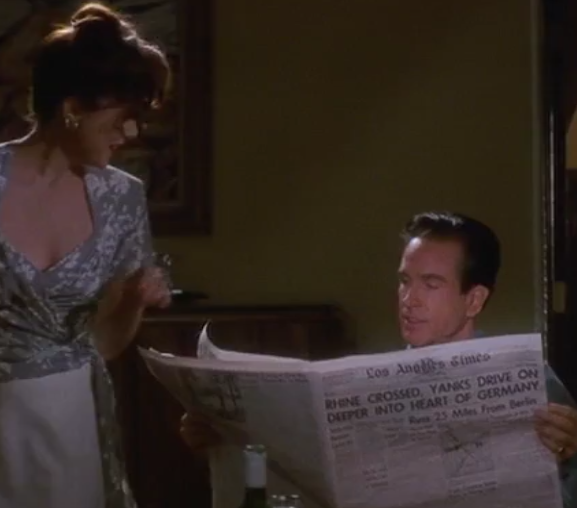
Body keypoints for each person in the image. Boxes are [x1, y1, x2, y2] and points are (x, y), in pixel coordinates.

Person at [0, 0, 171, 508]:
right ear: (73, 108)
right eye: (123, 117)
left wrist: (135, 302)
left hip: (69, 421)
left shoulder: (123, 198)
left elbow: (103, 344)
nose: (132, 133)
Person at [181, 211, 577, 508]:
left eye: (431, 284)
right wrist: (221, 439)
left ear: (473, 300)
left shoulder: (532, 382)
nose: (409, 299)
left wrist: (571, 453)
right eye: (404, 281)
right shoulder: (372, 381)